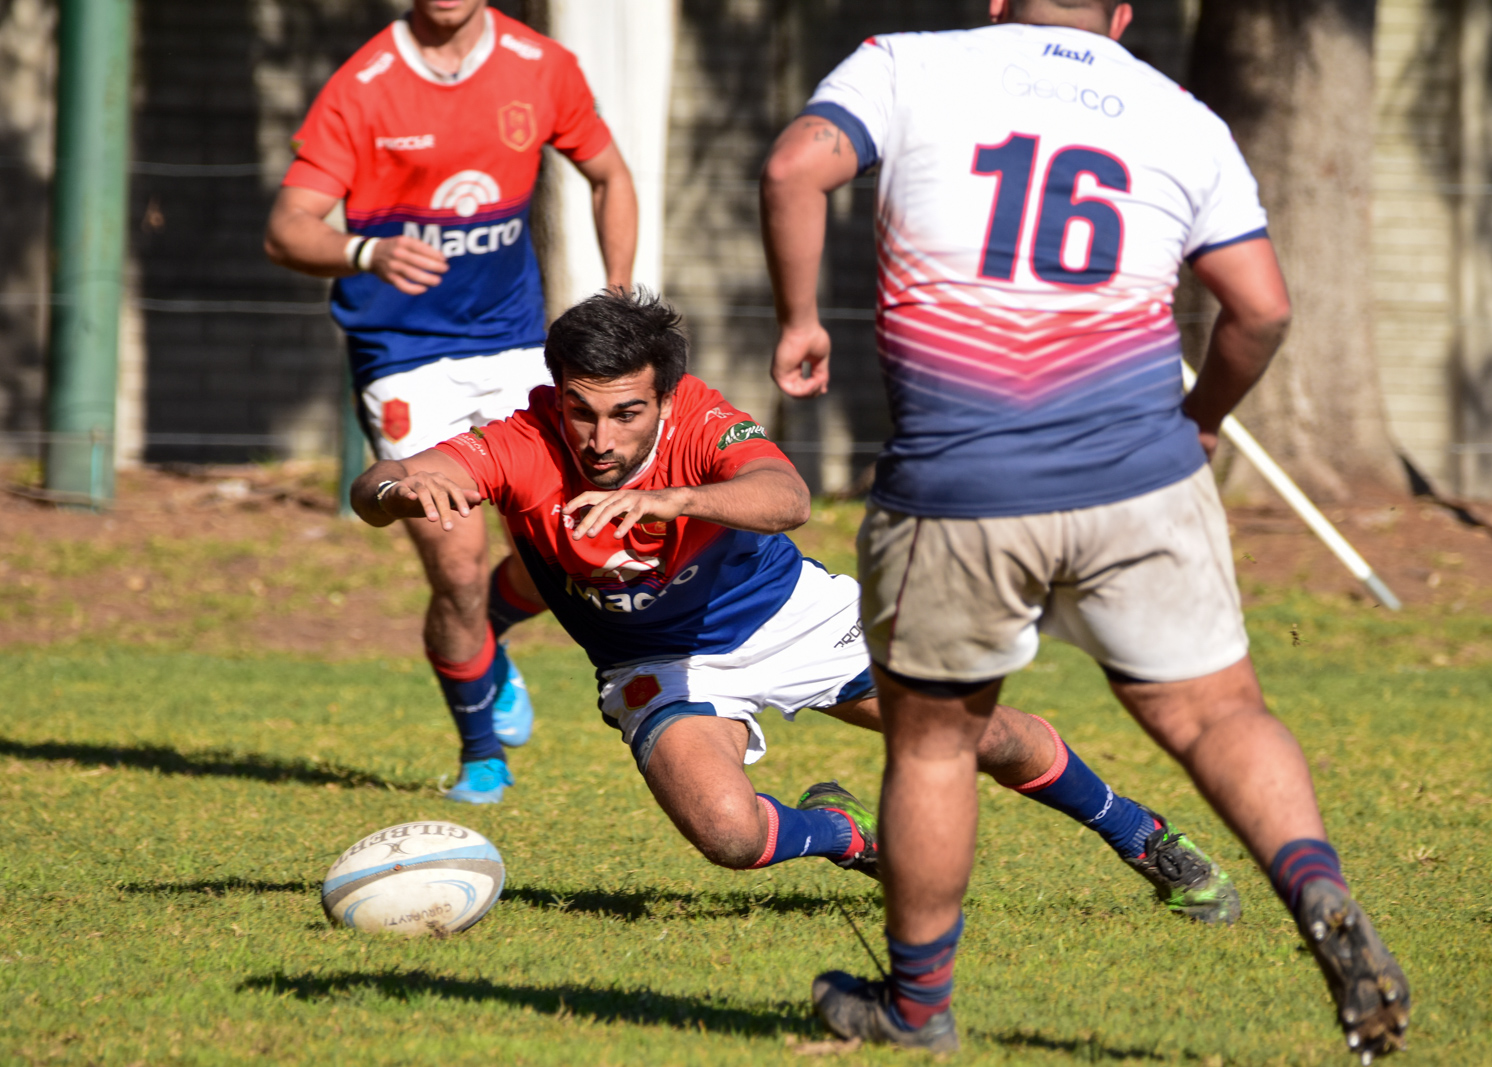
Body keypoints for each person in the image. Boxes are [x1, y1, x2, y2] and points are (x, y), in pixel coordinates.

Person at [760, 0, 1410, 1059]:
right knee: (1214, 713)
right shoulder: (1182, 116)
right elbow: (1261, 308)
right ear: (1120, 12)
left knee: (933, 742)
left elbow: (795, 169)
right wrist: (1201, 421)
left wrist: (798, 319)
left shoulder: (905, 65)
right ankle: (1318, 888)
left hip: (959, 480)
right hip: (1139, 475)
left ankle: (918, 1008)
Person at [348, 288, 1241, 916]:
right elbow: (387, 479)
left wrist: (677, 497)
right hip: (657, 664)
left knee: (985, 736)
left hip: (792, 619)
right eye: (583, 411)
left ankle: (1143, 836)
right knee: (730, 835)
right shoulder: (521, 440)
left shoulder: (700, 418)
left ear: (662, 393)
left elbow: (787, 497)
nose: (600, 438)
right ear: (556, 394)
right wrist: (396, 491)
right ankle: (846, 835)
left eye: (626, 413)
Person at [264, 0, 638, 804]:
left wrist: (616, 298)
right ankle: (481, 758)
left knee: (571, 550)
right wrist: (364, 249)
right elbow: (287, 228)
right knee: (458, 567)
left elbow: (610, 175)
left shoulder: (541, 67)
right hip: (404, 359)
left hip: (512, 347)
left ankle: (493, 635)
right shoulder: (363, 86)